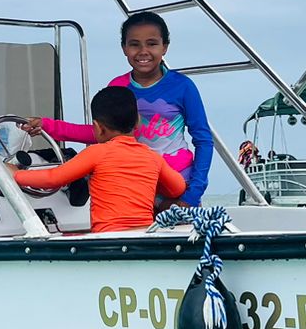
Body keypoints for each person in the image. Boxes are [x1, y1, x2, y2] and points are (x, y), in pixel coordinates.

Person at [21, 11, 213, 206]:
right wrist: (48, 126)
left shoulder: (183, 87)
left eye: (152, 43)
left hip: (179, 184)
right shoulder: (118, 87)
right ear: (124, 48)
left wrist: (192, 194)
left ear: (165, 47)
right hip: (134, 185)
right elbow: (99, 133)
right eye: (134, 44)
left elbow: (204, 140)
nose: (143, 51)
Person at [11, 86, 185, 232]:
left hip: (108, 239)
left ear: (97, 128)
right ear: (138, 122)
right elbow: (177, 187)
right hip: (144, 234)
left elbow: (52, 178)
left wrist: (15, 175)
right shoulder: (152, 157)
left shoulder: (96, 153)